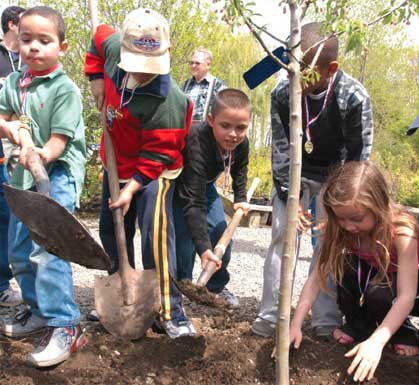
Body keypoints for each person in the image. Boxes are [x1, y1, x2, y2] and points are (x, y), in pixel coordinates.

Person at [252, 22, 374, 338]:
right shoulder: (282, 93)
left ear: (329, 69)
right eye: (291, 70)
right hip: (295, 173)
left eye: (304, 73)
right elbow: (280, 149)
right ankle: (271, 317)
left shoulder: (352, 97)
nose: (295, 79)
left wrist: (337, 207)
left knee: (328, 245)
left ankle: (325, 320)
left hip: (337, 178)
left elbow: (357, 160)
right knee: (281, 238)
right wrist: (289, 194)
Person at [84, 7, 195, 338]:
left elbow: (158, 154)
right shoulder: (115, 46)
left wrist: (132, 188)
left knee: (154, 234)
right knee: (110, 228)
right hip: (115, 160)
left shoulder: (168, 101)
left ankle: (170, 310)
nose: (143, 74)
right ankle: (122, 292)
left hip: (154, 171)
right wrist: (95, 83)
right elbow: (98, 37)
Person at [0, 6, 87, 367]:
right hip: (22, 180)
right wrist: (13, 130)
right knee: (20, 251)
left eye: (44, 41)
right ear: (16, 40)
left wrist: (38, 152)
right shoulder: (12, 82)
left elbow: (59, 143)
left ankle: (66, 323)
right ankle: (37, 311)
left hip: (57, 178)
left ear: (62, 47)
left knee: (49, 251)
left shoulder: (65, 90)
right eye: (26, 39)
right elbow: (3, 116)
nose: (34, 47)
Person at [283, 161, 419, 382]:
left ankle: (402, 331)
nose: (347, 226)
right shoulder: (339, 229)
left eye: (356, 219)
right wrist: (295, 324)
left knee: (379, 292)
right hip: (372, 273)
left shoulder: (403, 232)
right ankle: (359, 326)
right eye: (340, 218)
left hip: (406, 282)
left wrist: (378, 341)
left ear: (379, 206)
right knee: (342, 266)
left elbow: (407, 295)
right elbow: (316, 279)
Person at [174, 88, 250, 307]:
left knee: (221, 235)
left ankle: (214, 286)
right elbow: (193, 203)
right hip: (181, 187)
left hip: (205, 187)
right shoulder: (197, 141)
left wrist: (241, 196)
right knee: (185, 241)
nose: (233, 134)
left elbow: (240, 170)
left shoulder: (241, 143)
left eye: (241, 128)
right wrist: (203, 248)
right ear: (211, 120)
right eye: (225, 126)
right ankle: (181, 288)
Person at [0, 5, 25, 308]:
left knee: (7, 217)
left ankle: (3, 284)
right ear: (11, 25)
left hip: (18, 152)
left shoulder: (29, 62)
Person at [182, 47, 226, 124]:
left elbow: (225, 111)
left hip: (206, 132)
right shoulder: (185, 84)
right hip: (186, 131)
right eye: (191, 63)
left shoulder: (218, 85)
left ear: (208, 65)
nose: (193, 66)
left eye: (197, 63)